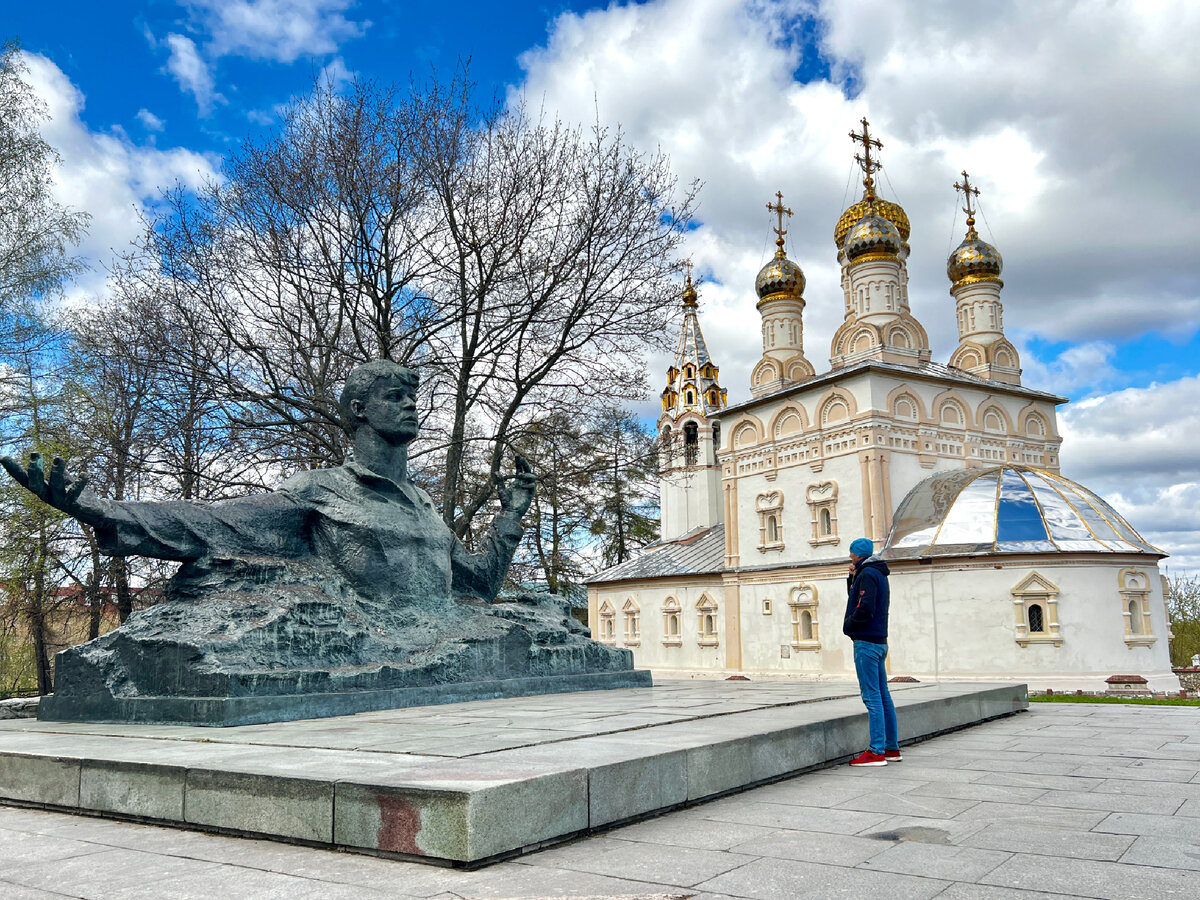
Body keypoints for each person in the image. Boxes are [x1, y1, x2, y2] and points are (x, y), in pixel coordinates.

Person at [0, 359, 537, 614]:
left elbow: (477, 586)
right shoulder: (321, 491)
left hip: (442, 648)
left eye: (412, 396)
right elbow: (212, 521)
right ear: (358, 411)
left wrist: (511, 514)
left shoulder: (423, 506)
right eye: (394, 396)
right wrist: (100, 510)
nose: (411, 404)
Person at [843, 536, 901, 766]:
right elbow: (857, 597)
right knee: (883, 695)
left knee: (872, 697)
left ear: (857, 554)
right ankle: (891, 748)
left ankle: (876, 751)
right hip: (879, 640)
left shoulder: (867, 574)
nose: (849, 557)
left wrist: (849, 625)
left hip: (866, 641)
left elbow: (864, 607)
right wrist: (851, 578)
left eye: (851, 553)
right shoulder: (876, 573)